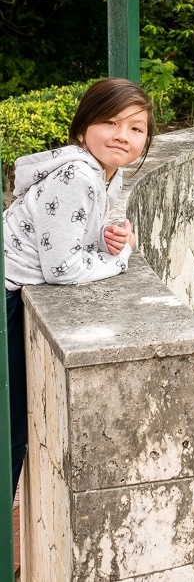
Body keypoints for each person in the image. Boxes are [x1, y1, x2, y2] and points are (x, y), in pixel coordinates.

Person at [2, 78, 156, 499]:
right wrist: (118, 259)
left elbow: (73, 234)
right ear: (83, 128)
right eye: (110, 122)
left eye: (136, 128)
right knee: (11, 432)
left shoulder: (107, 174)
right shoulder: (77, 176)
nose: (122, 135)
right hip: (7, 301)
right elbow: (63, 269)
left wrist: (107, 235)